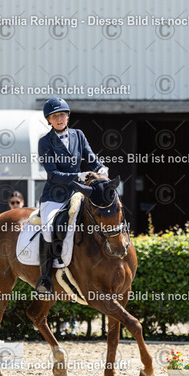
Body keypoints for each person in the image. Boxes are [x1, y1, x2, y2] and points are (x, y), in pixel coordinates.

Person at [36, 98, 109, 294]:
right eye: (54, 116)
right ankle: (45, 278)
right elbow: (53, 174)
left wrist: (101, 168)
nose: (59, 119)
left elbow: (90, 157)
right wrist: (77, 176)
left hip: (76, 194)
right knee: (48, 230)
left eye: (62, 114)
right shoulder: (45, 142)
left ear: (67, 116)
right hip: (54, 196)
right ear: (49, 120)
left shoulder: (78, 135)